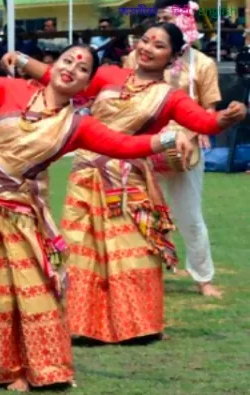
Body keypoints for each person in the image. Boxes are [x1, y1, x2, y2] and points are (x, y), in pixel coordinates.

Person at [0, 33, 186, 392]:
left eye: (83, 68)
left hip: (20, 210)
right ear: (54, 65)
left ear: (85, 85)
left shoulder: (77, 125)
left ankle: (39, 368)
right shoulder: (14, 90)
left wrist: (169, 139)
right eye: (68, 60)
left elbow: (124, 145)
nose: (73, 68)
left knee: (31, 289)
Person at [16, 24, 245, 344]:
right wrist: (21, 59)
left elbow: (205, 122)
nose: (147, 48)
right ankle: (83, 327)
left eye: (159, 46)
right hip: (86, 175)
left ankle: (140, 327)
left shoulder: (170, 97)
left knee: (133, 251)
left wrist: (230, 116)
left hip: (127, 180)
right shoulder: (109, 75)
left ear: (173, 56)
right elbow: (62, 78)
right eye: (145, 41)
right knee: (82, 250)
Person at [124, 0, 224, 298]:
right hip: (142, 145)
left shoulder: (202, 63)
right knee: (136, 210)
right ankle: (138, 272)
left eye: (170, 17)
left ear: (187, 20)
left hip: (184, 148)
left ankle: (204, 277)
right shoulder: (136, 58)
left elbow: (209, 109)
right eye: (160, 17)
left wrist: (197, 132)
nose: (163, 23)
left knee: (188, 215)